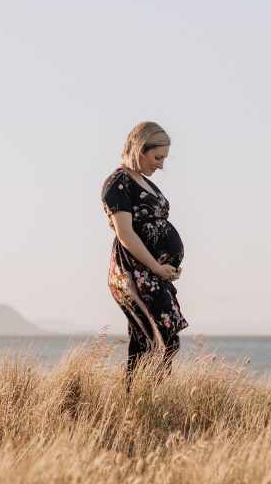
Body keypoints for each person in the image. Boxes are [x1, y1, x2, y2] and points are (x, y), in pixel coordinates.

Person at [101, 121, 188, 386]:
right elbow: (125, 233)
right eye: (157, 157)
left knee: (162, 337)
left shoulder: (144, 182)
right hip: (133, 271)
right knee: (154, 337)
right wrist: (156, 267)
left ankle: (146, 397)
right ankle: (138, 397)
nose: (161, 165)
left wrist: (168, 265)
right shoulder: (118, 183)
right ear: (140, 149)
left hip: (153, 272)